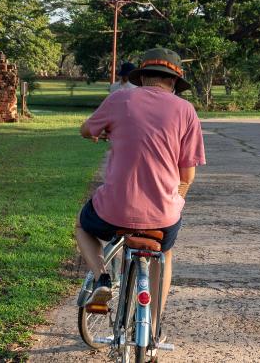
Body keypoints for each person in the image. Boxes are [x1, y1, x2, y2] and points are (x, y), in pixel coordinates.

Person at [76, 47, 206, 339]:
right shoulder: (186, 111)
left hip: (113, 210)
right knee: (165, 253)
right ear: (173, 83)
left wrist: (101, 131)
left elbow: (86, 130)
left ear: (142, 77)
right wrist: (177, 200)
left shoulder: (120, 98)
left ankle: (102, 278)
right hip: (162, 215)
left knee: (83, 227)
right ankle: (155, 326)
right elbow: (188, 175)